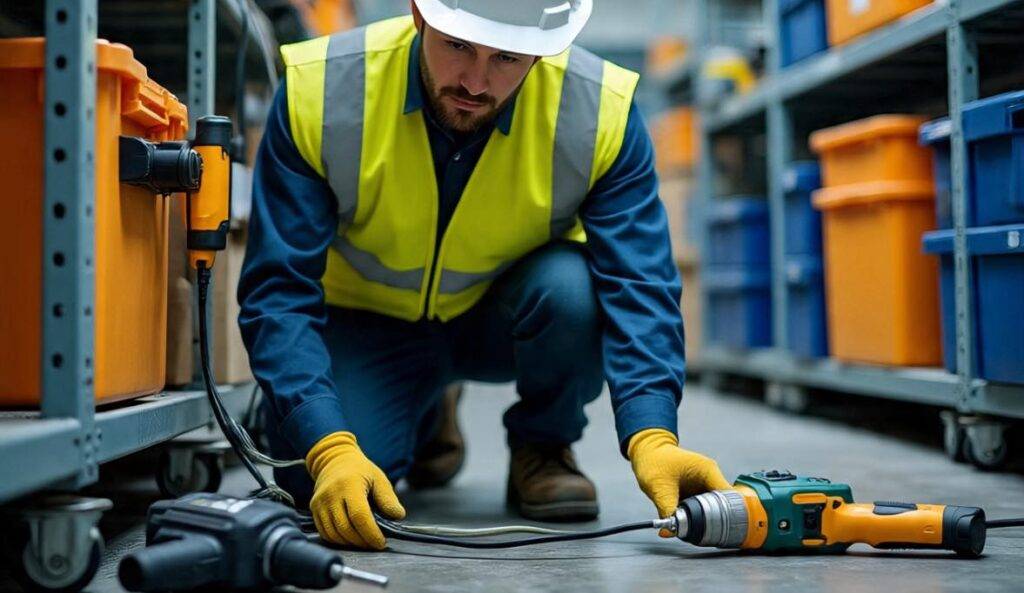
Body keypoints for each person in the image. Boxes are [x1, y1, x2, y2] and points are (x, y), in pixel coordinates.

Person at [238, 0, 729, 551]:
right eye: (457, 46)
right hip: (367, 323)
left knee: (573, 291)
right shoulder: (324, 87)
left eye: (508, 57)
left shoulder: (597, 109)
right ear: (420, 15)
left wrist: (653, 433)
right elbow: (278, 290)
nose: (475, 81)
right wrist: (326, 442)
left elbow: (639, 283)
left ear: (546, 50)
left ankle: (543, 447)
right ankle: (427, 411)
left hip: (496, 316)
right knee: (315, 482)